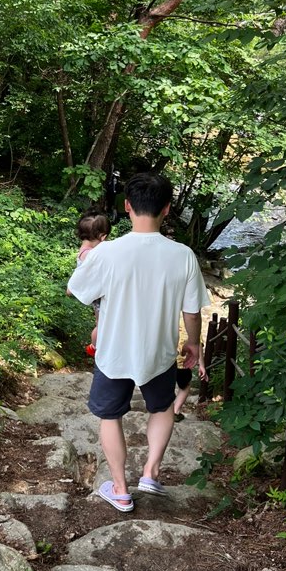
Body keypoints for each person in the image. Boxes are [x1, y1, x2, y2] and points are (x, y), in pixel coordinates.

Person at [67, 172, 209, 513]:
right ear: (167, 209)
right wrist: (194, 344)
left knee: (110, 416)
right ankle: (151, 472)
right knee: (162, 408)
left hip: (113, 352)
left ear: (127, 206)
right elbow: (191, 311)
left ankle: (120, 488)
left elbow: (78, 290)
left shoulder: (107, 252)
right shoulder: (183, 255)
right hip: (158, 354)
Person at [75, 212, 111, 353]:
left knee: (100, 321)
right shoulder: (90, 254)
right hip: (96, 293)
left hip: (94, 292)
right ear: (102, 236)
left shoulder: (84, 250)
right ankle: (94, 346)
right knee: (100, 323)